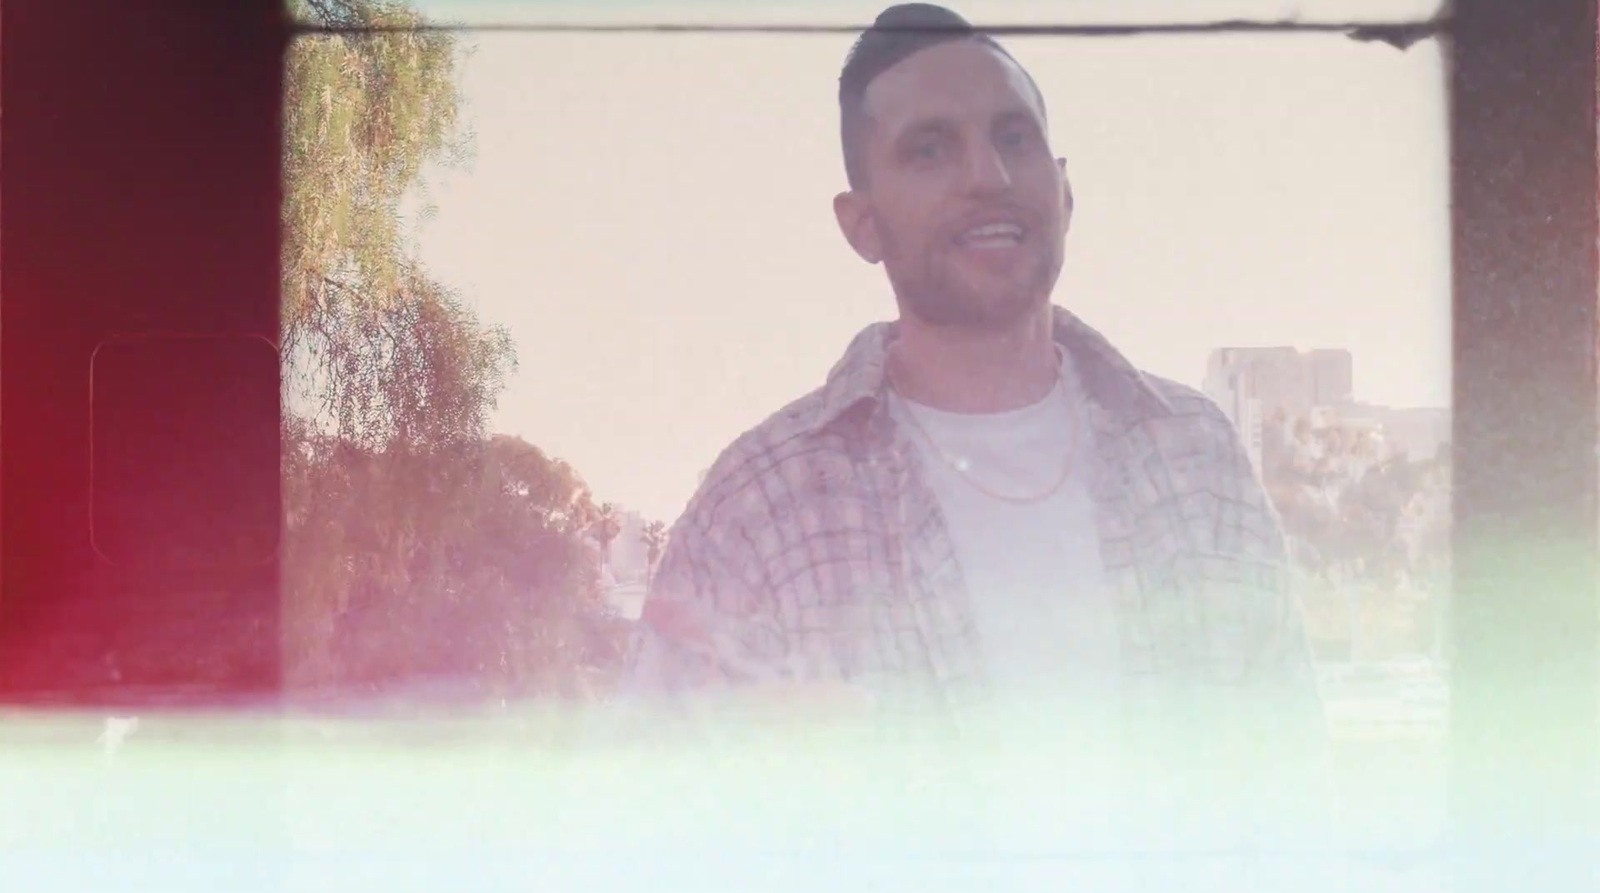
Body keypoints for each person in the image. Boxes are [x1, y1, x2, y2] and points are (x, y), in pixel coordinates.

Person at [619, 1, 1332, 867]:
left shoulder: (1195, 457)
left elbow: (1292, 795)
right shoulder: (759, 512)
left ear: (1064, 187)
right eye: (929, 149)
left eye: (1013, 137)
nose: (986, 174)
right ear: (862, 223)